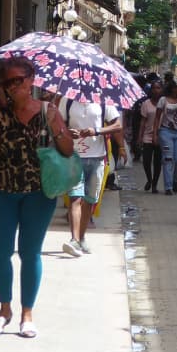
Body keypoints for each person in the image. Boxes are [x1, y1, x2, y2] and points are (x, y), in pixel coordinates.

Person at [0, 55, 75, 339]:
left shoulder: (48, 111)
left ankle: (27, 313)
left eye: (19, 80)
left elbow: (67, 149)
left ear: (31, 80)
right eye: (8, 82)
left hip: (38, 193)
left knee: (30, 253)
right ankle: (5, 309)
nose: (13, 87)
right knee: (0, 253)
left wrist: (57, 125)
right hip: (2, 190)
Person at [62, 95, 122, 256]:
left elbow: (117, 125)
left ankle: (81, 238)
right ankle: (74, 240)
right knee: (75, 197)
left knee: (89, 200)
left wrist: (96, 131)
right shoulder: (67, 101)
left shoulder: (103, 101)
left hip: (97, 158)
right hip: (74, 157)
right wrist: (67, 132)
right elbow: (57, 124)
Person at [156, 82, 177, 195]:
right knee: (168, 159)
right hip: (166, 132)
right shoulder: (163, 100)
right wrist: (156, 133)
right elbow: (157, 117)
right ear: (173, 89)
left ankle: (175, 180)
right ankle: (168, 186)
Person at [139, 82, 164, 193]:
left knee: (158, 162)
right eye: (154, 88)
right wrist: (139, 137)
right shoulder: (146, 104)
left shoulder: (164, 103)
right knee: (146, 161)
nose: (155, 90)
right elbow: (143, 122)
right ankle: (149, 179)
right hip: (147, 136)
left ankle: (155, 184)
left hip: (161, 136)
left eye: (158, 88)